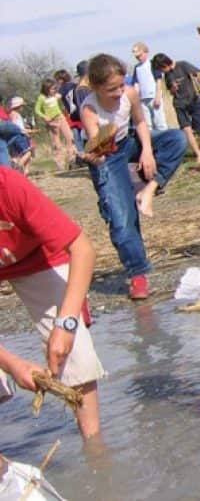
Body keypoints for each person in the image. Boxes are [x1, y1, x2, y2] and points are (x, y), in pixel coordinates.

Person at [0, 167, 104, 438]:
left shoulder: (9, 185)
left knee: (74, 353)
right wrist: (11, 364)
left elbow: (82, 249)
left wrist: (66, 323)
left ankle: (95, 451)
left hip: (39, 256)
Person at [80, 54, 187, 299]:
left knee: (176, 139)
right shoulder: (89, 108)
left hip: (130, 143)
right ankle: (138, 274)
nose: (119, 92)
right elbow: (99, 151)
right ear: (96, 88)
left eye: (121, 85)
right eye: (111, 89)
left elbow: (140, 122)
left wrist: (148, 152)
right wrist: (96, 153)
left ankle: (148, 190)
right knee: (121, 217)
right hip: (107, 155)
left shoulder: (130, 93)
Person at [150, 53, 200, 170]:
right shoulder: (167, 75)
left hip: (194, 100)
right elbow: (170, 91)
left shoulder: (183, 65)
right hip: (179, 104)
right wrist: (173, 88)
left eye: (162, 68)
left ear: (165, 64)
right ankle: (198, 153)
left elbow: (199, 73)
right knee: (186, 128)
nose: (162, 71)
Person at [34, 79, 77, 170]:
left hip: (60, 117)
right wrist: (44, 117)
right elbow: (37, 110)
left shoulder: (55, 96)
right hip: (51, 121)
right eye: (52, 89)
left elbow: (65, 92)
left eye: (55, 88)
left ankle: (72, 158)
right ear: (46, 89)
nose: (54, 90)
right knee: (56, 143)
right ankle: (60, 163)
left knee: (70, 137)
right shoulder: (41, 98)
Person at [131, 42, 168, 131]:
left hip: (153, 97)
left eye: (140, 55)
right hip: (142, 99)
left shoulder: (152, 64)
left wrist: (158, 96)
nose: (138, 58)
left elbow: (158, 80)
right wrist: (136, 99)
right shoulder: (137, 68)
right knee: (147, 124)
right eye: (137, 56)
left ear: (146, 52)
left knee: (159, 122)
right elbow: (136, 83)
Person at [6, 97, 34, 171]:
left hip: (10, 138)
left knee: (14, 156)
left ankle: (14, 168)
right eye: (22, 106)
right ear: (18, 106)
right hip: (19, 137)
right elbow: (19, 128)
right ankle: (18, 166)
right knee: (28, 153)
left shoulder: (9, 115)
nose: (22, 108)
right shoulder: (17, 115)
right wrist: (28, 131)